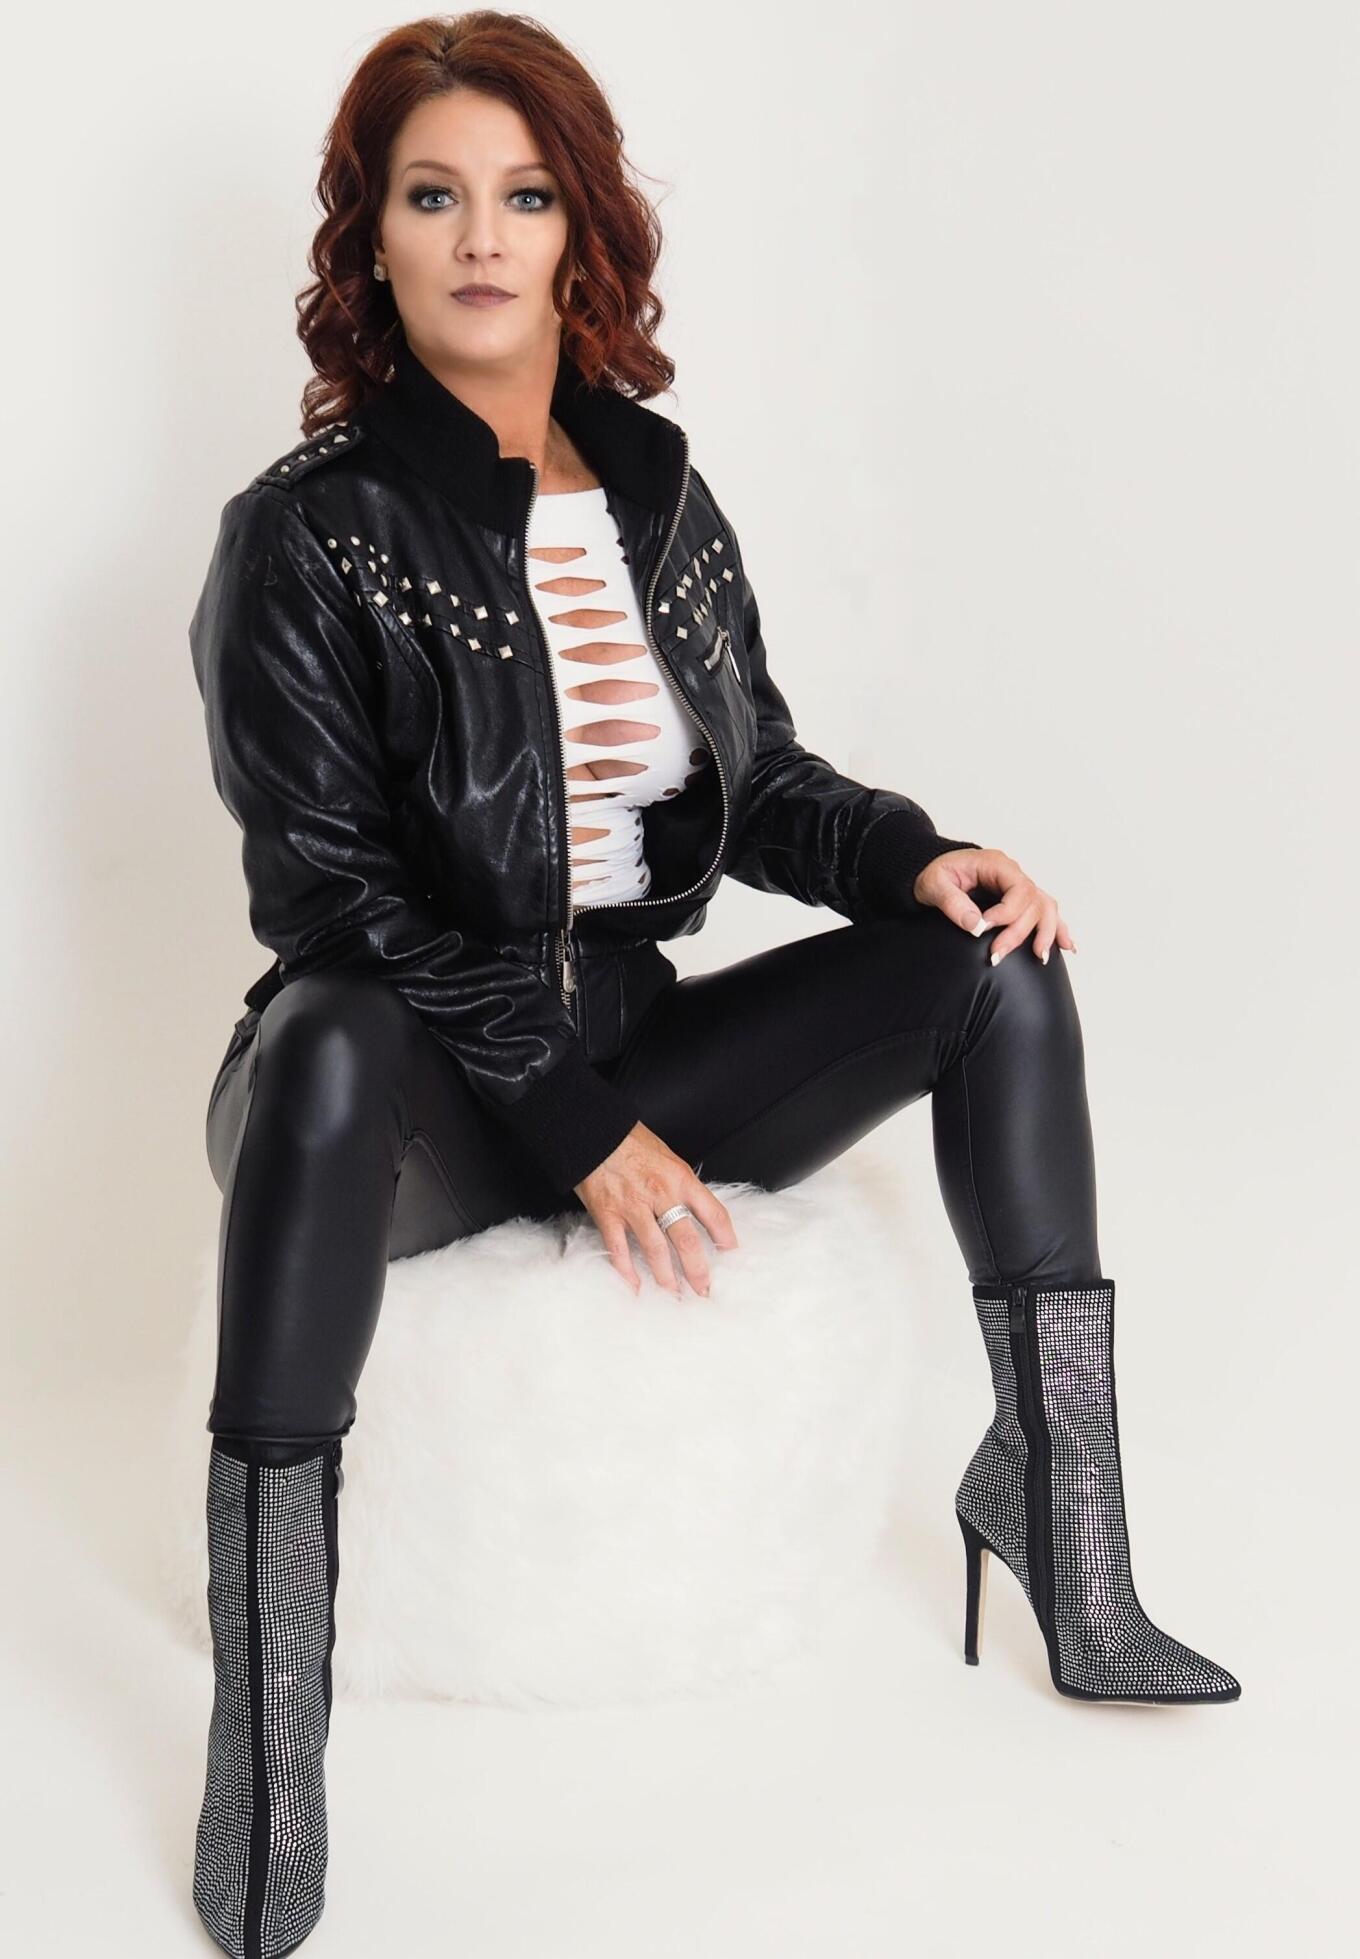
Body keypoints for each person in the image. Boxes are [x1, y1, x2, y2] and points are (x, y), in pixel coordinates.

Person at [186, 14, 1241, 1958]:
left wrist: (910, 853)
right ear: (372, 239)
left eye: (524, 196)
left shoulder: (658, 505)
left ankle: (1062, 1527)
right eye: (433, 195)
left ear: (579, 232)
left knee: (992, 963)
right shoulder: (308, 535)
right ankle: (268, 1745)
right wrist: (573, 1126)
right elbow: (330, 900)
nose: (480, 237)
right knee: (327, 1036)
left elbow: (753, 782)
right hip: (399, 1087)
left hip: (628, 1031)